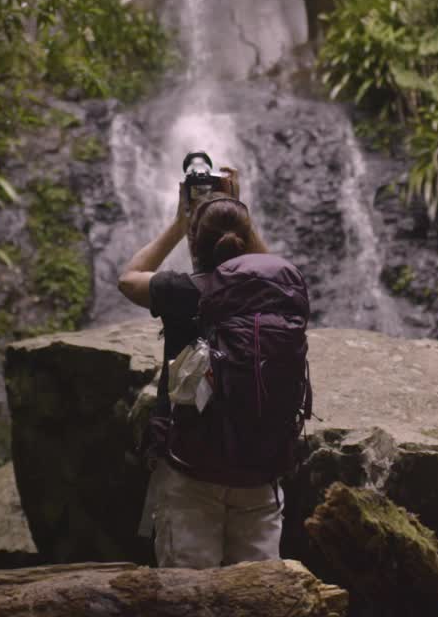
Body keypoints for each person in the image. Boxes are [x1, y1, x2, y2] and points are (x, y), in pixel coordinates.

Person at [117, 168, 311, 569]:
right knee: (260, 599)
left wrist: (180, 222)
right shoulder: (283, 291)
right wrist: (238, 212)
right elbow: (273, 267)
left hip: (191, 472)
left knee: (189, 598)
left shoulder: (186, 292)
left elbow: (128, 278)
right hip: (260, 473)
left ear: (194, 243)